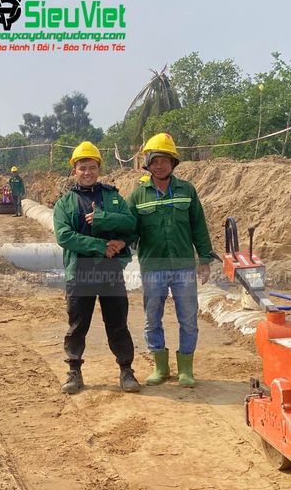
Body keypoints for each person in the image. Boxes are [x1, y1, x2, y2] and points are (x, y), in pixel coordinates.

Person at [53, 141, 140, 395]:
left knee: (117, 323)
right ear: (74, 171)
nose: (87, 172)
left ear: (99, 169)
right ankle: (74, 371)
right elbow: (64, 236)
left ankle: (126, 370)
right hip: (79, 272)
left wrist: (119, 239)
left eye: (92, 167)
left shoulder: (113, 198)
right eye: (82, 167)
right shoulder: (65, 203)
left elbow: (131, 225)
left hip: (110, 272)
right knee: (77, 325)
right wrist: (101, 246)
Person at [127, 133, 213, 388]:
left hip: (184, 267)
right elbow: (128, 229)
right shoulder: (138, 195)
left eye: (164, 160)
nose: (159, 166)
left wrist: (204, 259)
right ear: (148, 164)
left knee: (188, 319)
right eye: (155, 161)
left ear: (173, 162)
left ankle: (186, 369)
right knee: (152, 319)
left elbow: (199, 226)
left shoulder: (187, 190)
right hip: (152, 267)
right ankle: (160, 367)